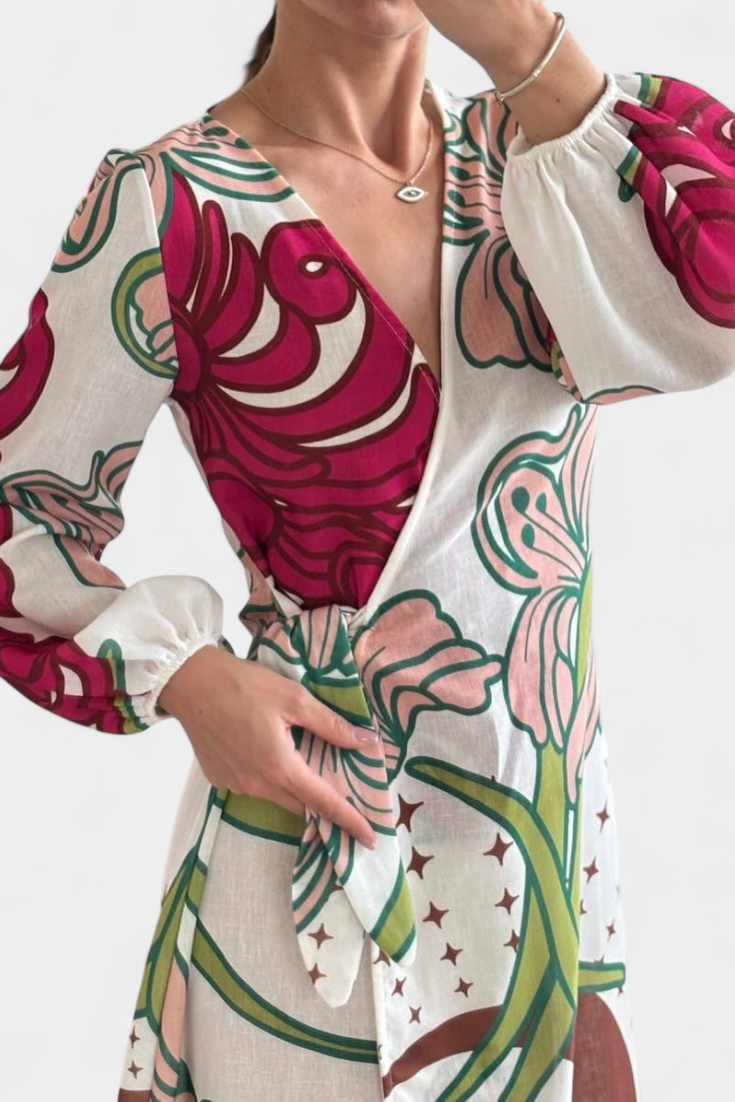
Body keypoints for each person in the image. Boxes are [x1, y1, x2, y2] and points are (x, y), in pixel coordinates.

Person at [1, 1, 733, 1099]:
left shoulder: (543, 160)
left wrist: (522, 43)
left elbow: (710, 297)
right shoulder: (170, 200)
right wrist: (191, 681)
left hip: (540, 876)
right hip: (305, 857)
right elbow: (18, 512)